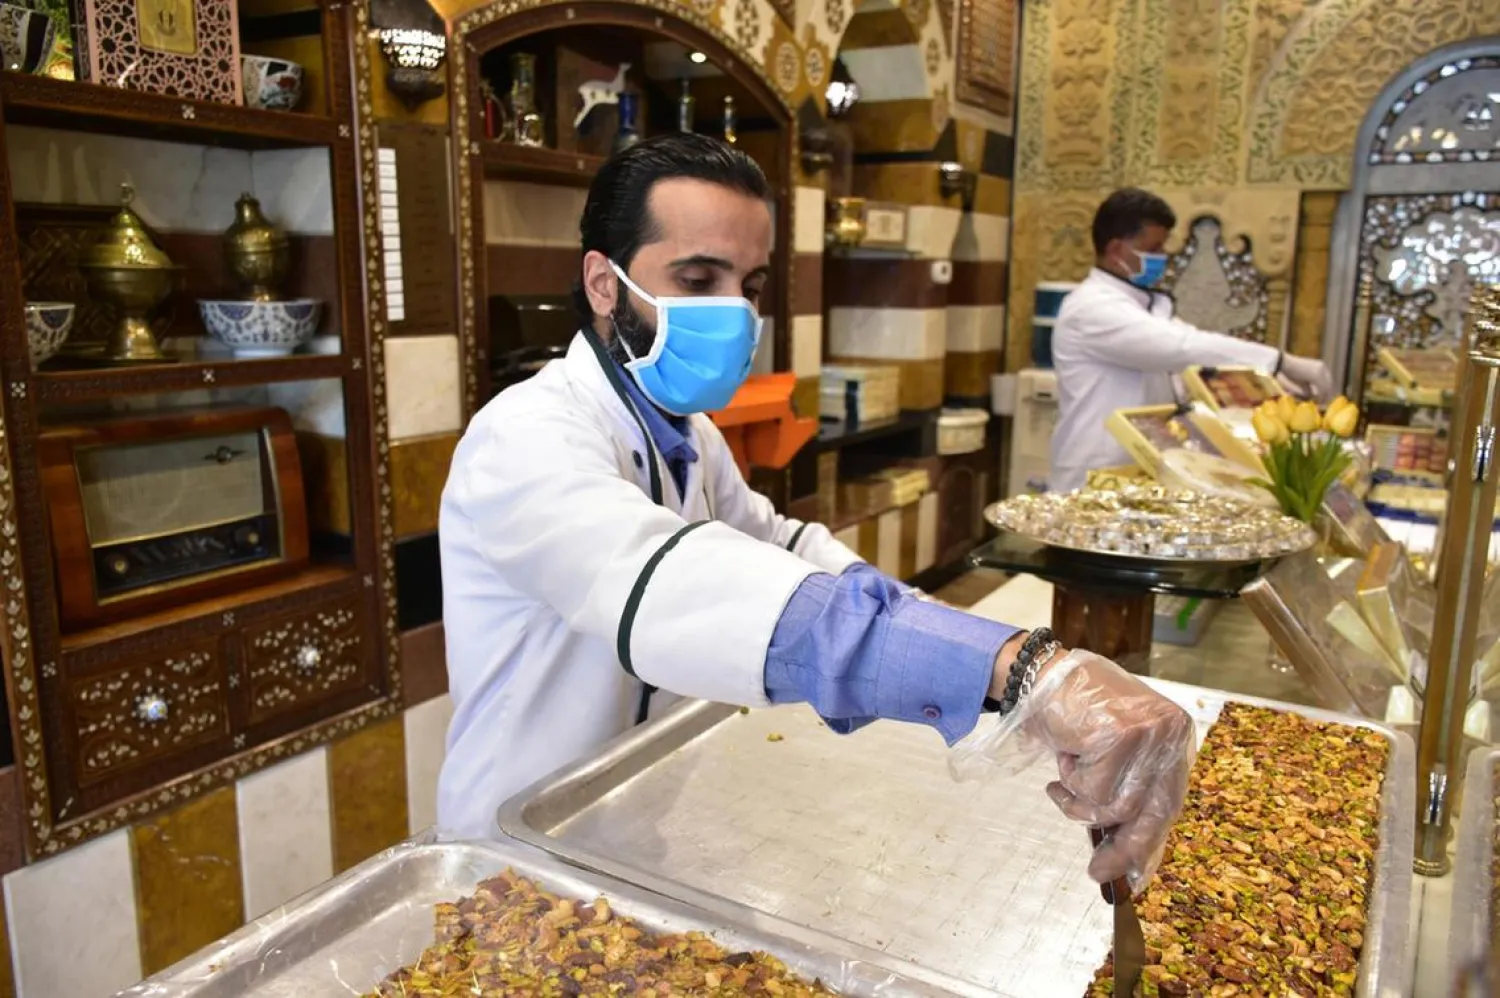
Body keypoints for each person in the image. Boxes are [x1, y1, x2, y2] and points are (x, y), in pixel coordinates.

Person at [438, 135, 1194, 888]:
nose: (732, 311)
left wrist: (964, 646)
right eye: (698, 277)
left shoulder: (688, 433)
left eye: (750, 284)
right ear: (604, 284)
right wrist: (1024, 669)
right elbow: (679, 585)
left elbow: (781, 543)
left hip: (626, 829)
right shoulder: (525, 438)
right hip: (513, 850)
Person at [1048, 188, 1334, 493]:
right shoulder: (1091, 307)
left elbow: (1195, 363)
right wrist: (1279, 361)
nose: (1162, 259)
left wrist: (1265, 385)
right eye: (1153, 249)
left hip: (1140, 466)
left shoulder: (1149, 306)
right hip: (1094, 470)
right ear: (1117, 250)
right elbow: (1181, 347)